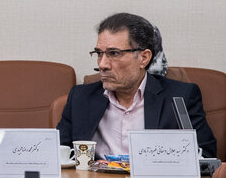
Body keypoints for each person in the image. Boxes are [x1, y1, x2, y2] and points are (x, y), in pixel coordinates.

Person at [57, 13, 216, 158]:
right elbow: (58, 153)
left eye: (114, 53)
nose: (102, 64)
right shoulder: (80, 98)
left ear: (144, 58)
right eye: (99, 53)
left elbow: (206, 157)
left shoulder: (180, 97)